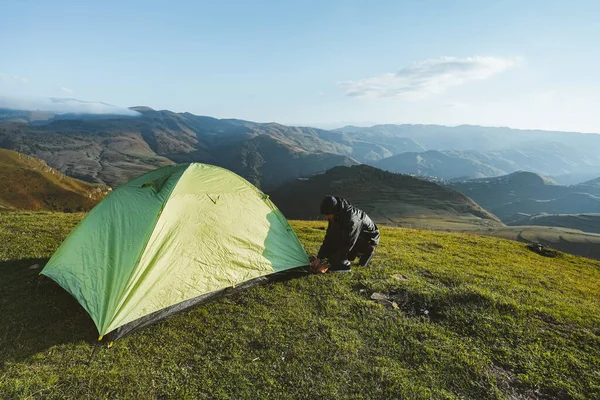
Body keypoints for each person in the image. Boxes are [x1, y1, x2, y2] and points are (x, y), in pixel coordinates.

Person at [310, 195, 380, 273]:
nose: (326, 218)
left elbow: (347, 243)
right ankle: (343, 259)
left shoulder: (352, 219)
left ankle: (365, 252)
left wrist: (328, 264)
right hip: (353, 236)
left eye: (327, 215)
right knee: (334, 242)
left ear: (334, 211)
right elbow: (329, 237)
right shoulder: (335, 215)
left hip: (367, 239)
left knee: (342, 249)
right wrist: (319, 258)